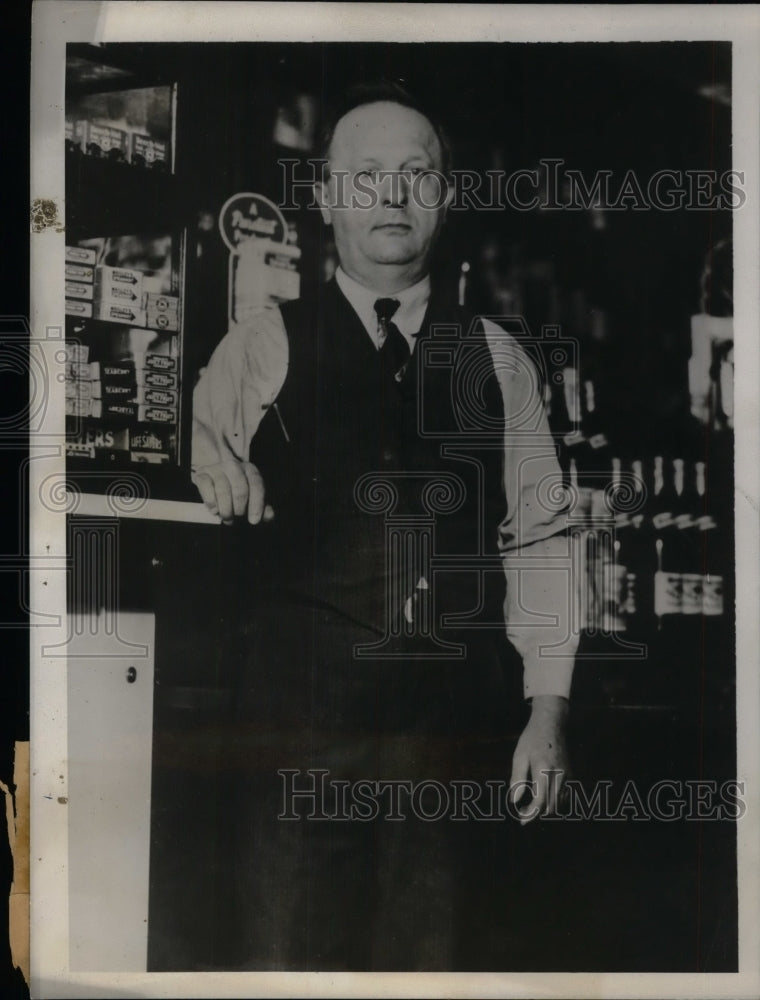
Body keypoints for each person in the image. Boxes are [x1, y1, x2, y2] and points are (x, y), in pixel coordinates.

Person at [191, 82, 579, 971]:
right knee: (281, 972)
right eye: (365, 177)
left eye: (416, 173)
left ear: (445, 195)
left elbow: (543, 543)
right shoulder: (255, 348)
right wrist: (213, 467)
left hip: (447, 743)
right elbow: (190, 474)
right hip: (291, 738)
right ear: (326, 198)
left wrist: (547, 711)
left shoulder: (499, 358)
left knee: (433, 976)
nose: (393, 196)